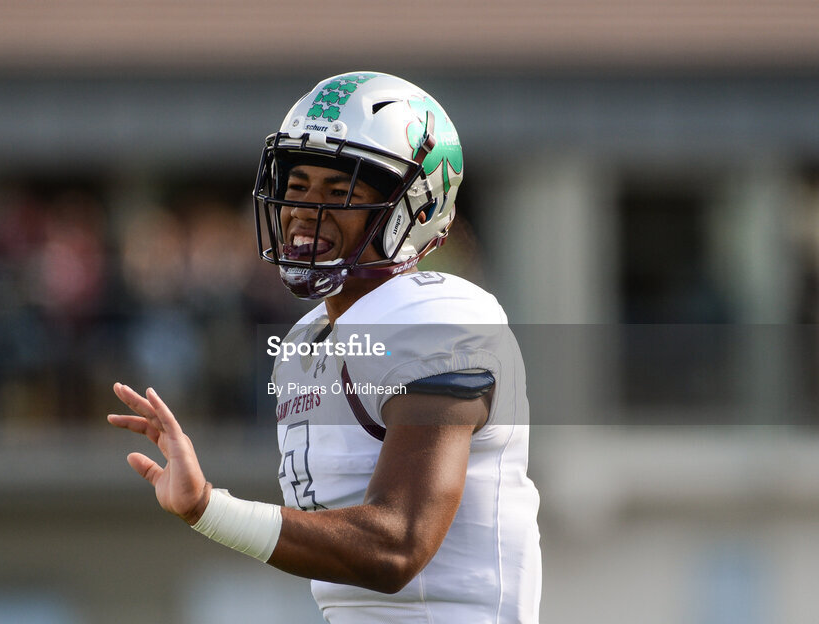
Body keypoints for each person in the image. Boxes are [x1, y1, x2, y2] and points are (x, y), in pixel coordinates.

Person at [109, 71, 541, 623]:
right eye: (298, 185)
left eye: (339, 192)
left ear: (415, 208)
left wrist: (208, 509)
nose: (303, 209)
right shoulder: (304, 342)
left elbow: (397, 545)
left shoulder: (440, 318)